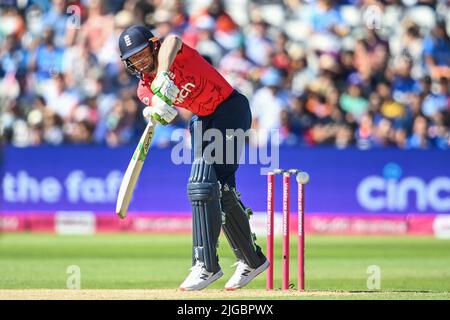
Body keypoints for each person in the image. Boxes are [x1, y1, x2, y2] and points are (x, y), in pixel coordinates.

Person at [118, 25, 268, 291]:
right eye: (133, 58)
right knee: (220, 190)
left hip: (229, 108)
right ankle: (251, 259)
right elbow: (151, 101)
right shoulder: (143, 87)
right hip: (201, 121)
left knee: (200, 184)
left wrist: (163, 73)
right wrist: (155, 109)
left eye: (142, 53)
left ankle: (206, 265)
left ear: (153, 46)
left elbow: (173, 40)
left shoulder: (171, 52)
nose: (139, 61)